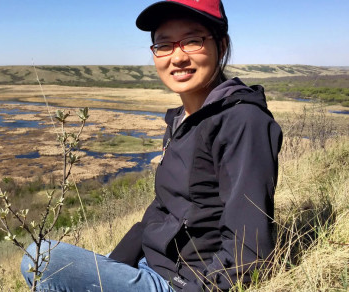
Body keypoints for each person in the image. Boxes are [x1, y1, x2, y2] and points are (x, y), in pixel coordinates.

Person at [21, 0, 282, 291]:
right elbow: (162, 210)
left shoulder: (242, 120)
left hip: (185, 282)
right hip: (153, 264)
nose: (178, 57)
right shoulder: (183, 119)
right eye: (164, 45)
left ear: (221, 44)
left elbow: (248, 250)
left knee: (40, 258)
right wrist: (116, 262)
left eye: (193, 41)